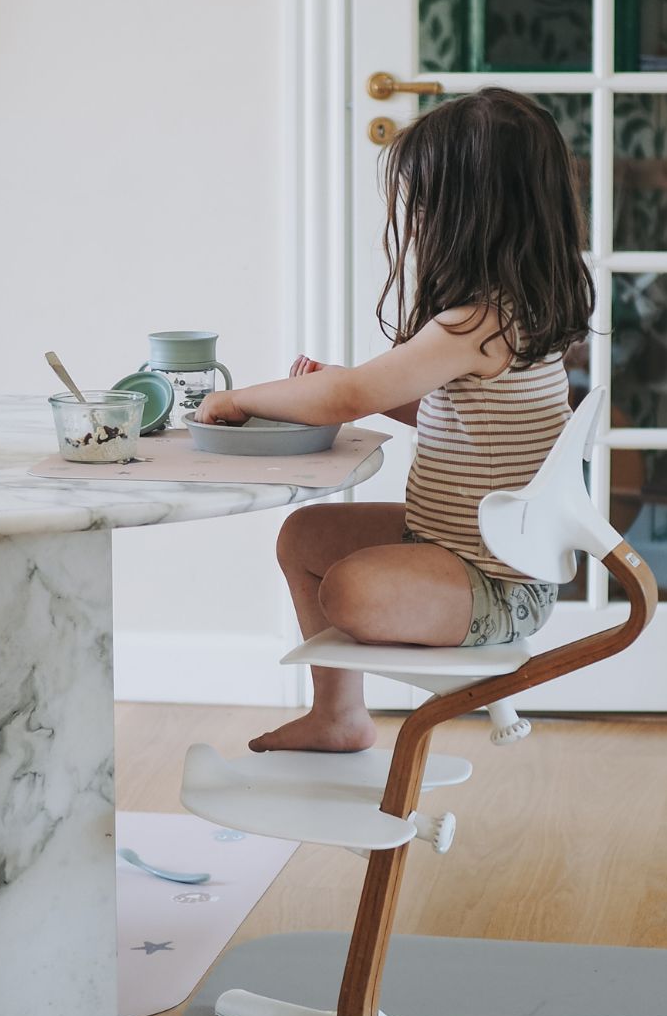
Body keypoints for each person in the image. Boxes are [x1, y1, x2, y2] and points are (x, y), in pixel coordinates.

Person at [194, 87, 593, 755]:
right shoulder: (517, 312)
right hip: (464, 548)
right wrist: (349, 387)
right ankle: (338, 715)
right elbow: (449, 413)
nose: (418, 219)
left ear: (470, 216)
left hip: (494, 584)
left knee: (350, 588)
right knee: (306, 536)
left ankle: (342, 713)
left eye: (427, 204)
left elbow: (348, 398)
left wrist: (241, 400)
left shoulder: (476, 323)